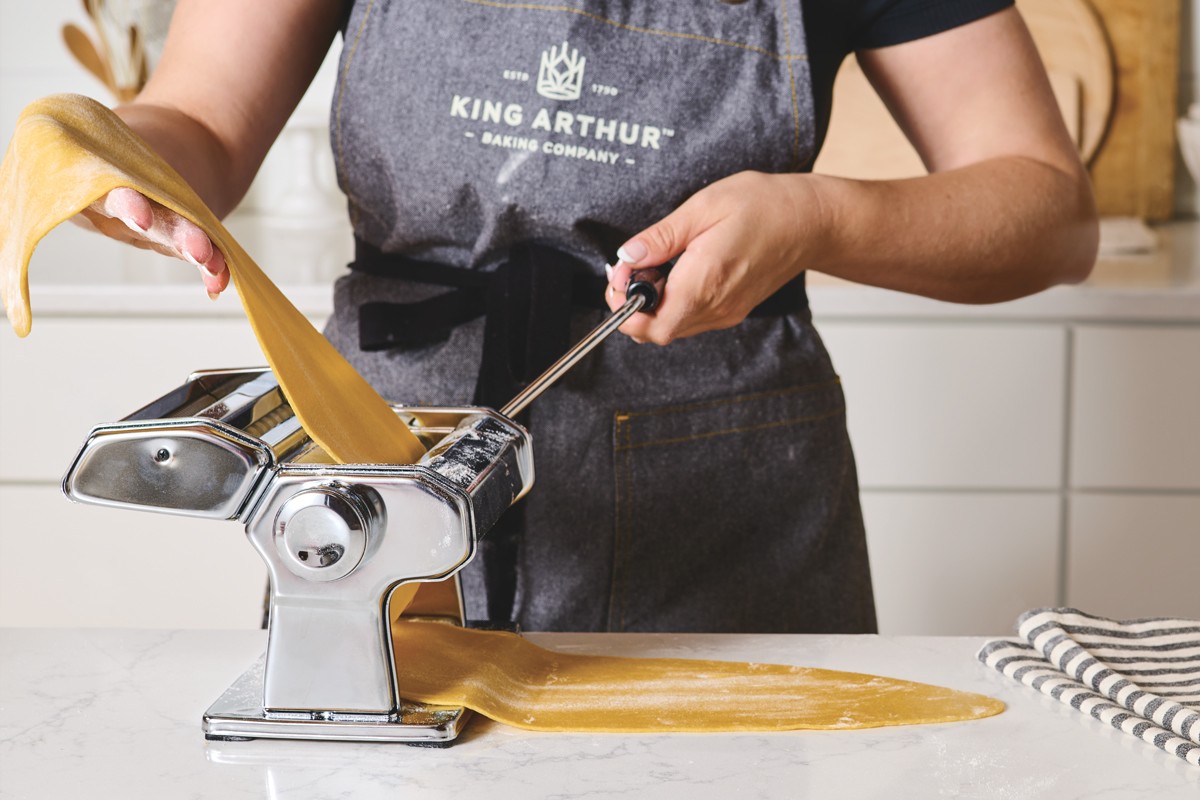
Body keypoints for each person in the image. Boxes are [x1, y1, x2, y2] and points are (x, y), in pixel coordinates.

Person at [76, 0, 1098, 634]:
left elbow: (1048, 214)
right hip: (390, 489)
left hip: (734, 520)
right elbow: (200, 120)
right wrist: (103, 155)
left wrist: (823, 216)